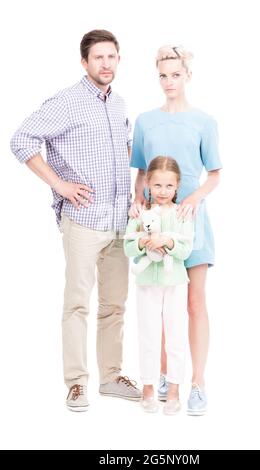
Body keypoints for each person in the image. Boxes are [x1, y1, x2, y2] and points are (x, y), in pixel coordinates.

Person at [10, 29, 141, 412]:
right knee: (77, 304)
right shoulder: (66, 102)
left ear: (118, 60)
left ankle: (111, 377)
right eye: (98, 57)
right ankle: (76, 383)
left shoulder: (119, 104)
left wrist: (137, 192)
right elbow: (22, 139)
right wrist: (59, 184)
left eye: (111, 57)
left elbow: (127, 145)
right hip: (84, 220)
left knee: (115, 305)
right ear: (84, 62)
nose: (105, 64)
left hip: (120, 221)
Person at [129, 45, 222, 416]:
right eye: (163, 75)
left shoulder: (204, 122)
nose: (169, 82)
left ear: (187, 76)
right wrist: (138, 206)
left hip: (191, 223)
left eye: (175, 75)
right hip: (153, 224)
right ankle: (166, 376)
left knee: (193, 303)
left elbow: (214, 174)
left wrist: (194, 198)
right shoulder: (145, 121)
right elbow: (140, 174)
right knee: (160, 300)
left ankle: (197, 382)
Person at [124, 156, 194, 415]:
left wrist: (168, 242)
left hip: (175, 283)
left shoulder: (182, 213)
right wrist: (143, 243)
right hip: (146, 284)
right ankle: (148, 388)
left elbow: (186, 249)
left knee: (175, 337)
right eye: (157, 186)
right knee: (148, 336)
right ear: (147, 186)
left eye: (168, 186)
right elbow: (128, 246)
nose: (162, 192)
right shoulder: (139, 214)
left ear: (177, 187)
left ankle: (174, 390)